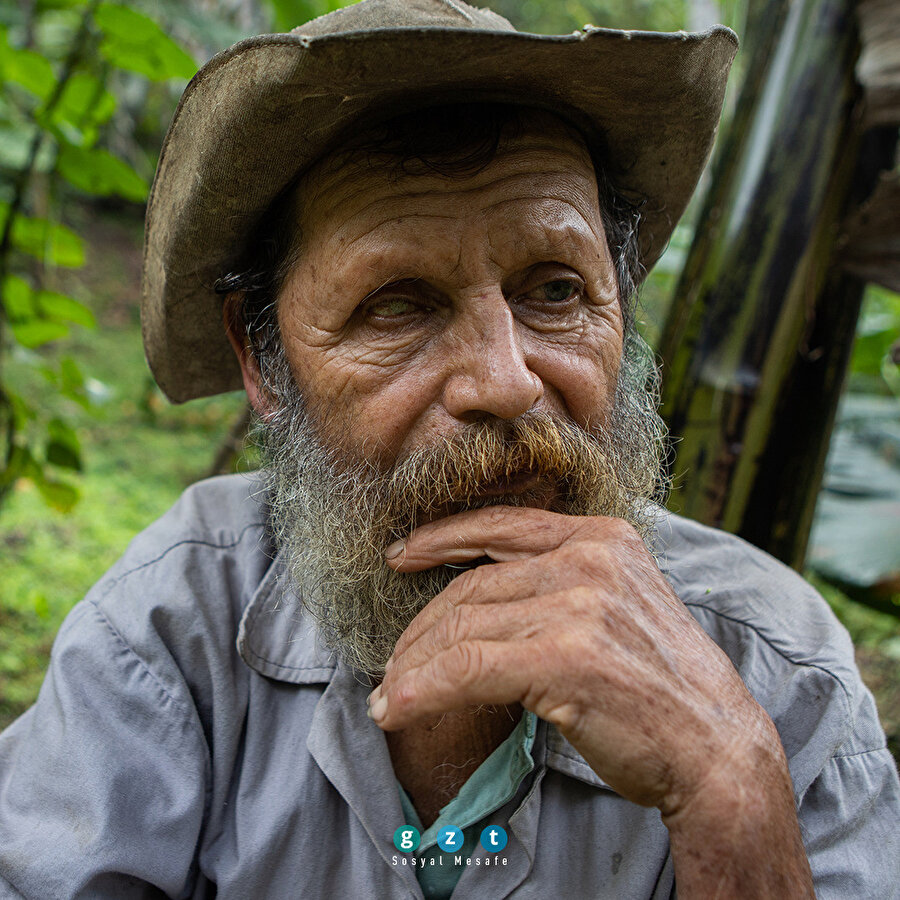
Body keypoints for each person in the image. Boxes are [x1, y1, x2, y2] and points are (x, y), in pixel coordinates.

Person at [1, 1, 897, 898]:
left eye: (556, 290)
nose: (506, 382)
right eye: (396, 304)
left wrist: (730, 790)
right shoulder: (173, 630)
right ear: (262, 359)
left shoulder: (782, 681)